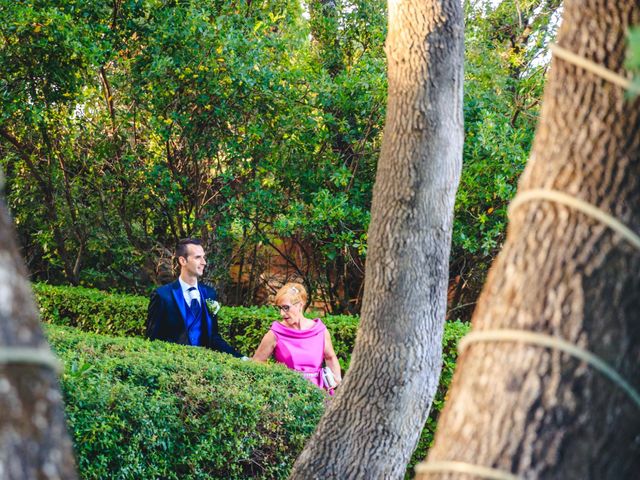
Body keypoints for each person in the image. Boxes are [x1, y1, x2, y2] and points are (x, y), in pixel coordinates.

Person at [146, 238, 243, 358]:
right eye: (198, 257)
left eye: (203, 257)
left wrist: (241, 358)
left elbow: (213, 337)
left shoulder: (210, 294)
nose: (204, 262)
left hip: (203, 368)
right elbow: (152, 339)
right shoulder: (162, 295)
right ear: (182, 260)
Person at [252, 282, 342, 391]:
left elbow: (330, 357)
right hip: (287, 394)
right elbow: (257, 362)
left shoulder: (319, 331)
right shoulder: (275, 333)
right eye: (280, 308)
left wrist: (336, 381)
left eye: (286, 308)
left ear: (300, 304)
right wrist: (272, 382)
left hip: (318, 394)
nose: (282, 313)